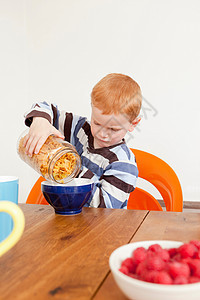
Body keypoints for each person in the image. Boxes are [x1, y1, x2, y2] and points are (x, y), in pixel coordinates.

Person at [23, 73, 142, 209]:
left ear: (133, 123)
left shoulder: (123, 164)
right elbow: (44, 107)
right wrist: (41, 121)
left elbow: (106, 208)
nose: (102, 134)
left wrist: (73, 169)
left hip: (103, 227)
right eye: (97, 123)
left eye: (113, 129)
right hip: (69, 219)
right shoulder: (81, 129)